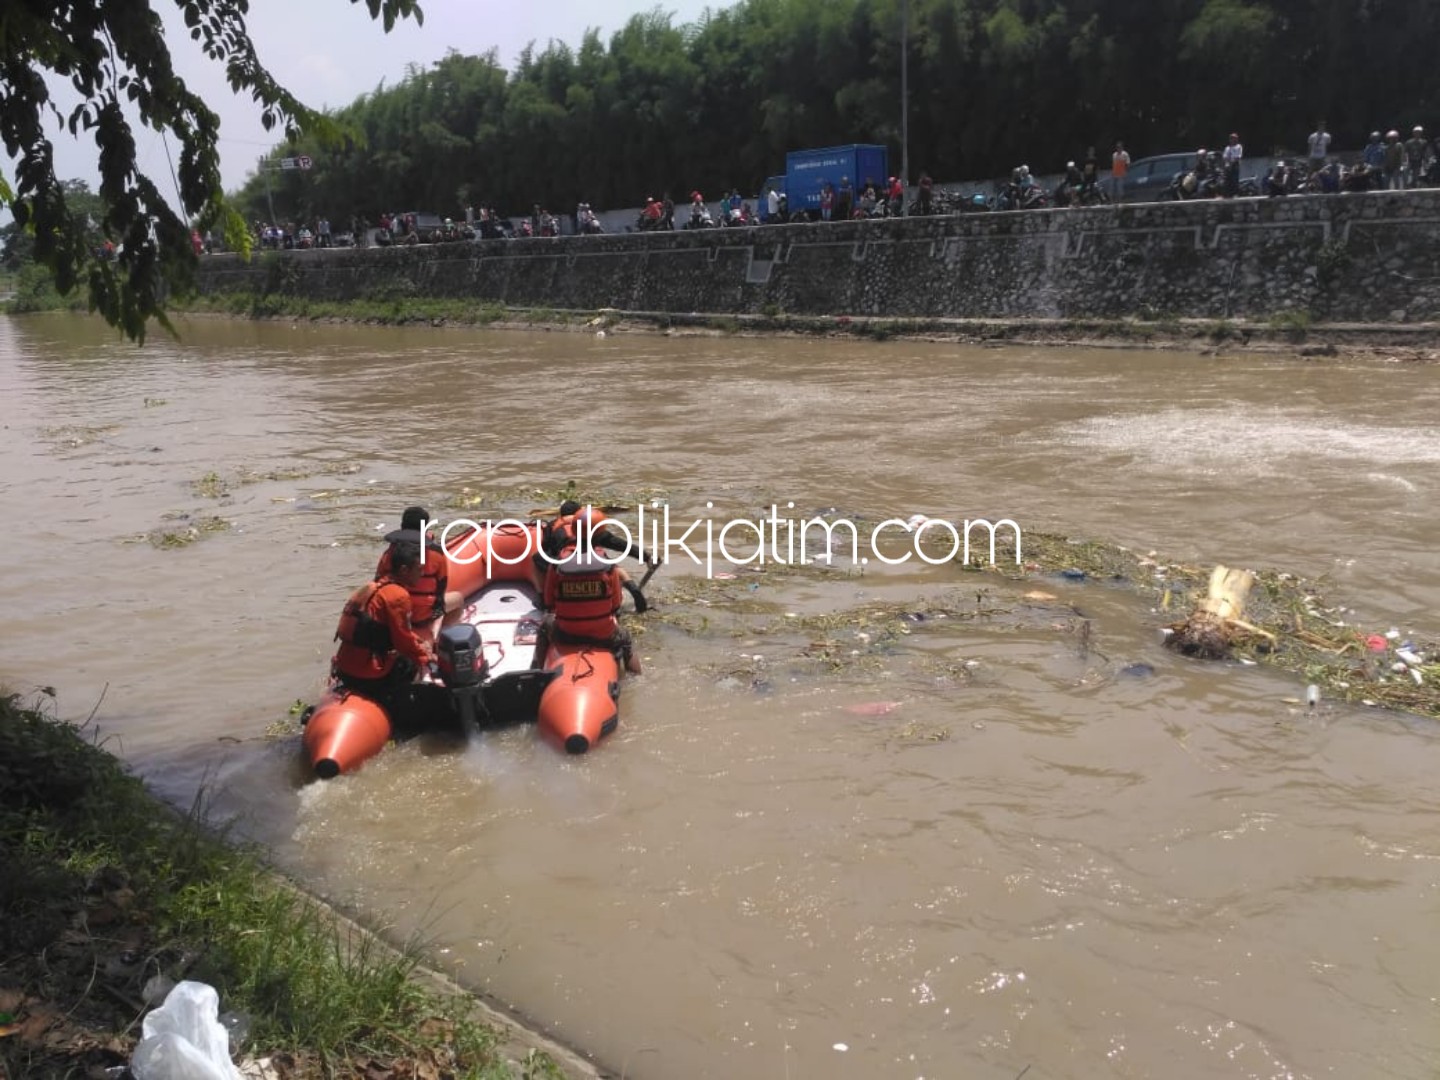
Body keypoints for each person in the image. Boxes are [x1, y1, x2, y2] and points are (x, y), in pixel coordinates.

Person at [332, 542, 436, 699]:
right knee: (410, 663)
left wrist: (419, 641)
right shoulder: (398, 596)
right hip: (368, 675)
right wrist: (427, 657)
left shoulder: (369, 587)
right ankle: (400, 703)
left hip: (344, 668)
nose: (422, 574)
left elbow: (394, 631)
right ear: (404, 570)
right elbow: (404, 643)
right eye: (419, 569)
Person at [541, 536, 646, 676]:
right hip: (603, 635)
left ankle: (541, 667)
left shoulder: (556, 564)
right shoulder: (607, 564)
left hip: (566, 634)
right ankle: (636, 679)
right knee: (625, 639)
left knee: (544, 623)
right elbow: (616, 604)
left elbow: (548, 602)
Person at [376, 505, 457, 629]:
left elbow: (378, 581)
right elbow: (442, 586)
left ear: (402, 526)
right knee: (459, 599)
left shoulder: (389, 553)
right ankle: (437, 636)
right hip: (422, 613)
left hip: (393, 612)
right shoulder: (436, 554)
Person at [1221, 133, 1243, 198]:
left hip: (1235, 165)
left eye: (1234, 138)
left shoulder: (1239, 147)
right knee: (1227, 180)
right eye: (1231, 138)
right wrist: (1227, 163)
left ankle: (1235, 194)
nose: (1232, 140)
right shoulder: (1227, 148)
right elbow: (1224, 156)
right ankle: (1227, 194)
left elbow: (1238, 156)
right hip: (1228, 165)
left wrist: (1231, 163)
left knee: (1235, 180)